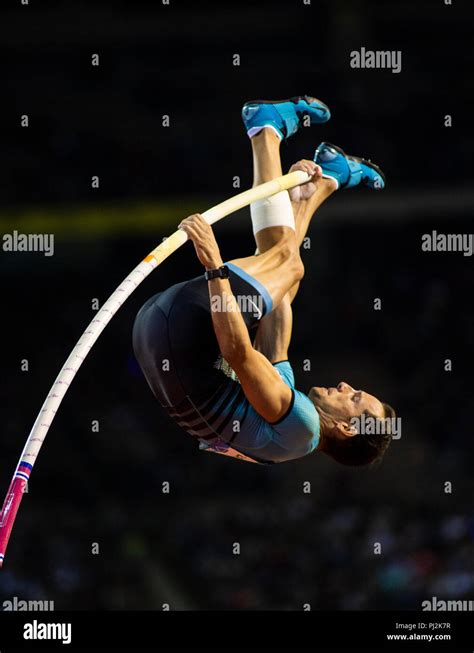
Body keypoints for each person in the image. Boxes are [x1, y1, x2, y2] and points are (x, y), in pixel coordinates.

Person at [133, 96, 395, 465]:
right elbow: (279, 306)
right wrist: (295, 205)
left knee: (290, 266)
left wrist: (214, 266)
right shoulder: (285, 433)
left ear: (348, 429)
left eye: (353, 399)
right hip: (156, 333)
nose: (345, 386)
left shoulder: (304, 426)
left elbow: (238, 353)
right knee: (285, 279)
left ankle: (267, 132)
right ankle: (321, 182)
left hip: (182, 329)